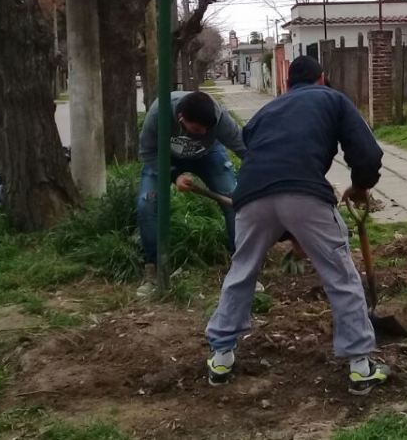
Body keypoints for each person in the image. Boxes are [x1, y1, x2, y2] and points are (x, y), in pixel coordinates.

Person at [204, 55, 390, 395]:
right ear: (322, 79)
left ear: (288, 84)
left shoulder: (266, 112)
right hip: (304, 192)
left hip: (250, 196)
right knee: (340, 275)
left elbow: (262, 157)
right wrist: (361, 185)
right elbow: (367, 152)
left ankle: (221, 356)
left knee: (241, 271)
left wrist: (289, 231)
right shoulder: (332, 98)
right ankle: (361, 367)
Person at [136, 91, 248, 298]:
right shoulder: (159, 113)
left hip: (208, 155)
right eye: (197, 129)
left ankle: (243, 269)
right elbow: (147, 152)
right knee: (147, 204)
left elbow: (245, 149)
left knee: (235, 200)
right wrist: (175, 175)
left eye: (207, 128)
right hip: (163, 156)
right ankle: (154, 270)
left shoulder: (219, 117)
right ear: (181, 119)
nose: (204, 131)